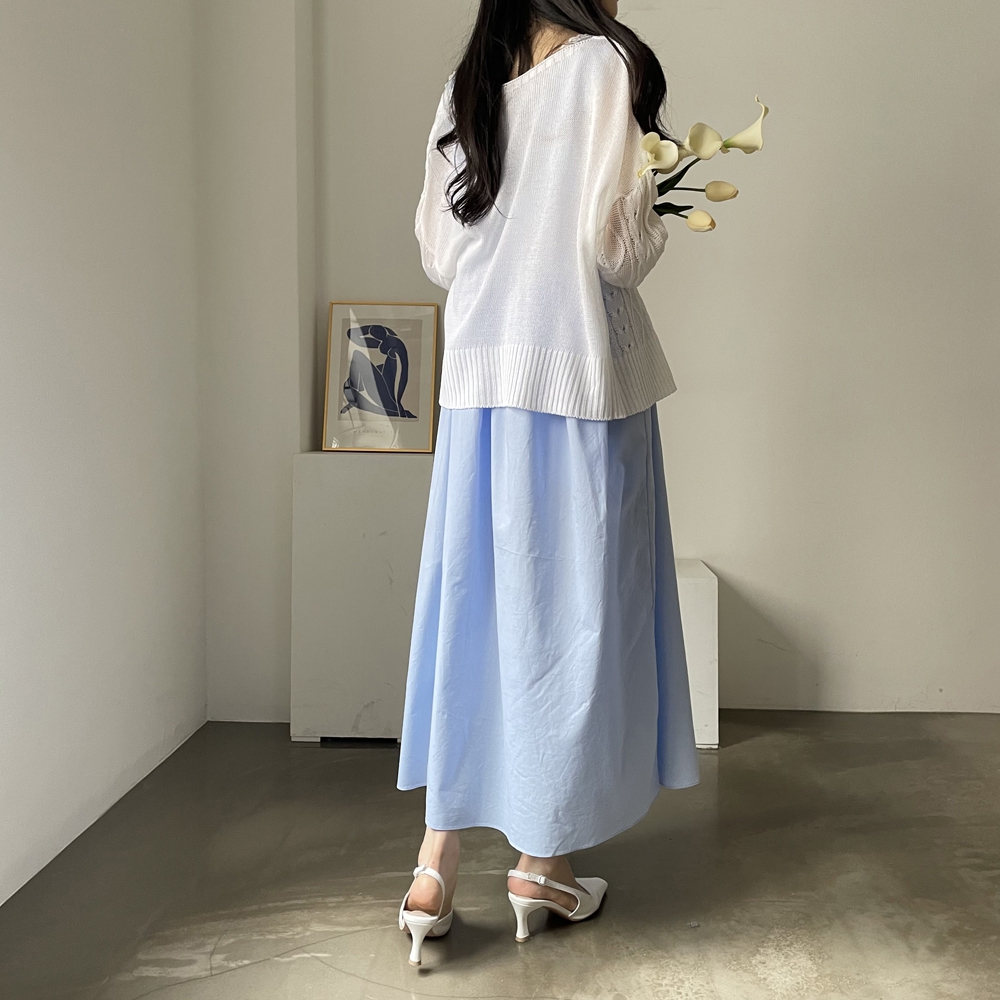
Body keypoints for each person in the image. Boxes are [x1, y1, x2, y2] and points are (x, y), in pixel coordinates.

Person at [395, 0, 699, 966]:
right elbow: (617, 251)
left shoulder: (468, 83)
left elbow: (441, 252)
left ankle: (434, 869)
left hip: (478, 390)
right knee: (575, 622)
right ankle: (542, 864)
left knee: (474, 614)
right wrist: (660, 194)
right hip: (579, 384)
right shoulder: (607, 65)